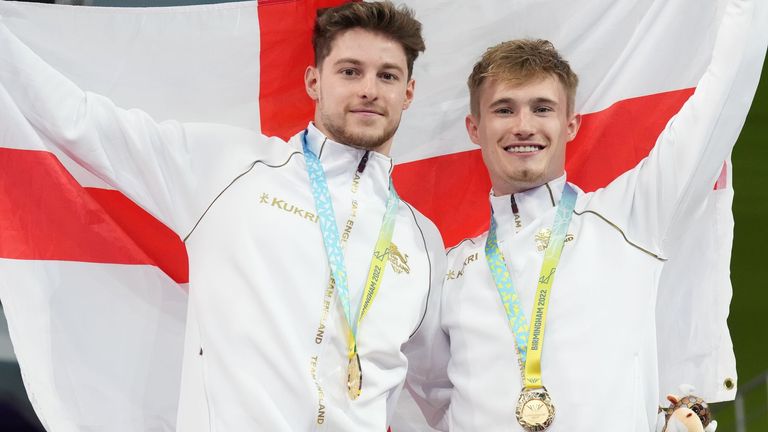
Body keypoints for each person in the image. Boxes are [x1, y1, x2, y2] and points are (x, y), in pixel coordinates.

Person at [0, 1, 445, 431]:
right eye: (350, 71)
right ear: (314, 81)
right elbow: (82, 122)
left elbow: (441, 391)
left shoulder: (421, 240)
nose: (369, 88)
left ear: (407, 93)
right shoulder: (227, 169)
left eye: (387, 75)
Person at [403, 0, 766, 430]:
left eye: (542, 108)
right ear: (474, 128)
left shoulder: (631, 216)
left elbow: (728, 85)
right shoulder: (451, 275)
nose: (524, 125)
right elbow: (429, 404)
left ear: (571, 124)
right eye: (504, 109)